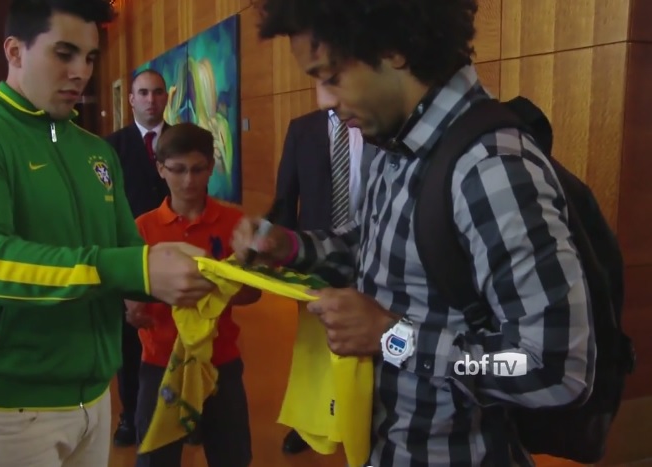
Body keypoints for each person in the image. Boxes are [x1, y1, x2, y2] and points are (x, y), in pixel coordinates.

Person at [231, 1, 595, 466]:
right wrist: (290, 247)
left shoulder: (490, 170)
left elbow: (553, 369)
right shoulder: (395, 146)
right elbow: (377, 254)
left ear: (393, 50)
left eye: (332, 76)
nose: (323, 100)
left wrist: (392, 338)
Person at [0, 1, 215, 466]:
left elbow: (126, 251)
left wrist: (193, 271)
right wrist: (132, 268)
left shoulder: (96, 150)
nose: (81, 71)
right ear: (14, 51)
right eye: (64, 53)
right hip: (9, 404)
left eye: (90, 57)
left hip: (94, 395)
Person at [128, 122, 258, 467]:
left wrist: (215, 287)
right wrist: (132, 309)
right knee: (155, 457)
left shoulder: (234, 222)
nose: (188, 181)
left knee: (232, 456)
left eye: (198, 169)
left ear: (211, 167)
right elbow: (130, 296)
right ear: (160, 169)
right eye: (178, 170)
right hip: (160, 360)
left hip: (220, 359)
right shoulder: (142, 228)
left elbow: (252, 293)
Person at [274, 103, 378, 454]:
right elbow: (286, 195)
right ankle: (310, 422)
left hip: (370, 254)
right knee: (314, 345)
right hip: (315, 258)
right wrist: (282, 255)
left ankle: (361, 419)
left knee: (365, 340)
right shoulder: (302, 128)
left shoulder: (376, 122)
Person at [105, 68, 170, 447]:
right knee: (131, 343)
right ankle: (130, 415)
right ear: (131, 99)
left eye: (157, 92)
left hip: (176, 252)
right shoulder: (110, 147)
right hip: (131, 258)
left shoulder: (183, 140)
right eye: (143, 93)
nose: (150, 100)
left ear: (166, 97)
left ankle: (183, 410)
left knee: (181, 336)